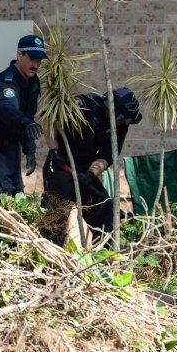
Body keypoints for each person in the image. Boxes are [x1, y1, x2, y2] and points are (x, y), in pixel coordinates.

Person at [42, 87, 141, 245]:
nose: (123, 122)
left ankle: (105, 263)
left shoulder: (121, 125)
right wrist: (54, 150)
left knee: (106, 217)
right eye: (121, 118)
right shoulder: (86, 105)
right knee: (56, 219)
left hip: (86, 170)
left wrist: (90, 174)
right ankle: (50, 261)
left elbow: (107, 155)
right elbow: (50, 117)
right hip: (61, 165)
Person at [0, 35, 48, 202]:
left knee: (15, 199)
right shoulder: (4, 84)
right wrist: (26, 123)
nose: (36, 65)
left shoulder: (33, 83)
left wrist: (30, 150)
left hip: (11, 149)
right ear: (19, 55)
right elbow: (8, 110)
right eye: (32, 59)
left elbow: (28, 116)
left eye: (39, 60)